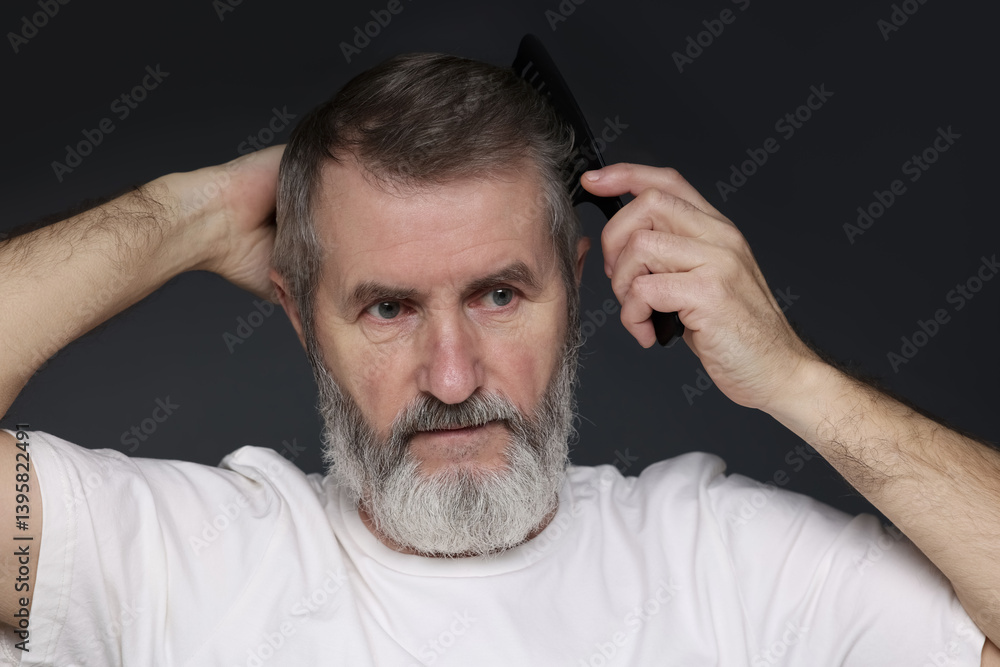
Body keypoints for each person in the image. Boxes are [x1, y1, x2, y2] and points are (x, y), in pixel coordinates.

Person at [1, 52, 998, 666]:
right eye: (387, 307)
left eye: (498, 294)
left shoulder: (726, 561)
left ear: (572, 291)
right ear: (302, 320)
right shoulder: (175, 560)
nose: (450, 375)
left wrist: (793, 376)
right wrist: (185, 214)